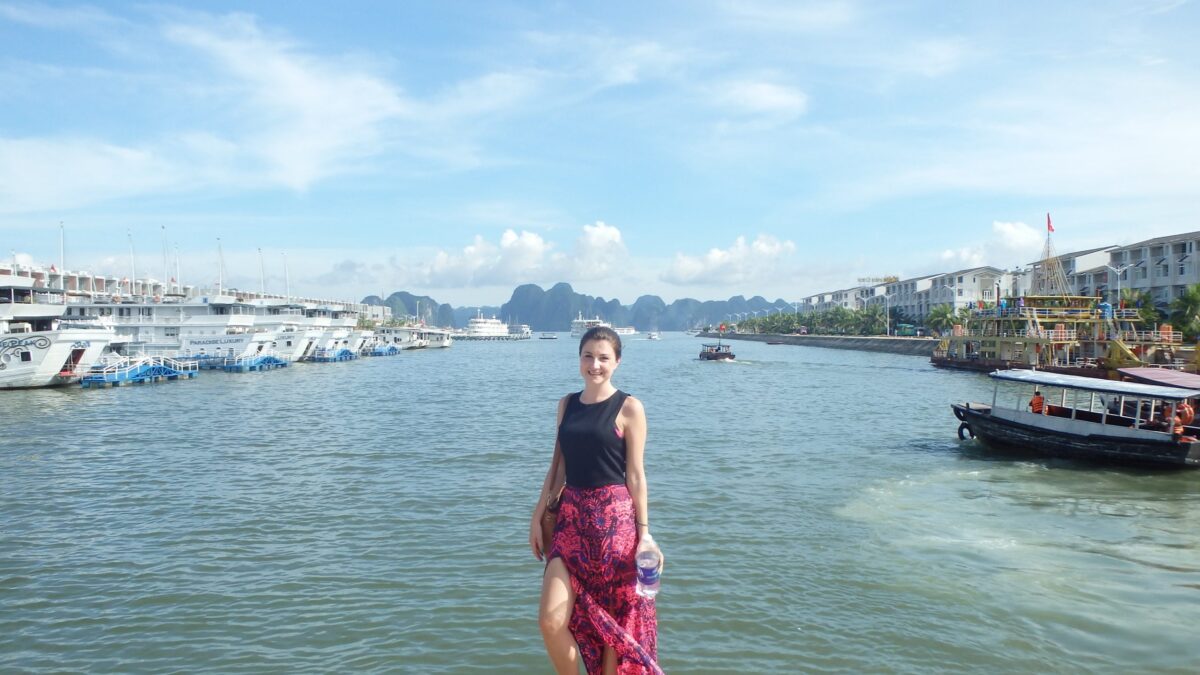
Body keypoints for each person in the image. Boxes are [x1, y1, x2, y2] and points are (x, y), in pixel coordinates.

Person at [530, 326, 662, 675]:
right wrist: (537, 516)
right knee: (550, 620)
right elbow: (556, 467)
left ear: (617, 362)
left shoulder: (629, 408)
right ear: (579, 360)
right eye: (588, 355)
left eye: (604, 357)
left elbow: (635, 475)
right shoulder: (566, 405)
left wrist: (645, 534)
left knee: (610, 630)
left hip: (614, 525)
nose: (595, 364)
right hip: (570, 520)